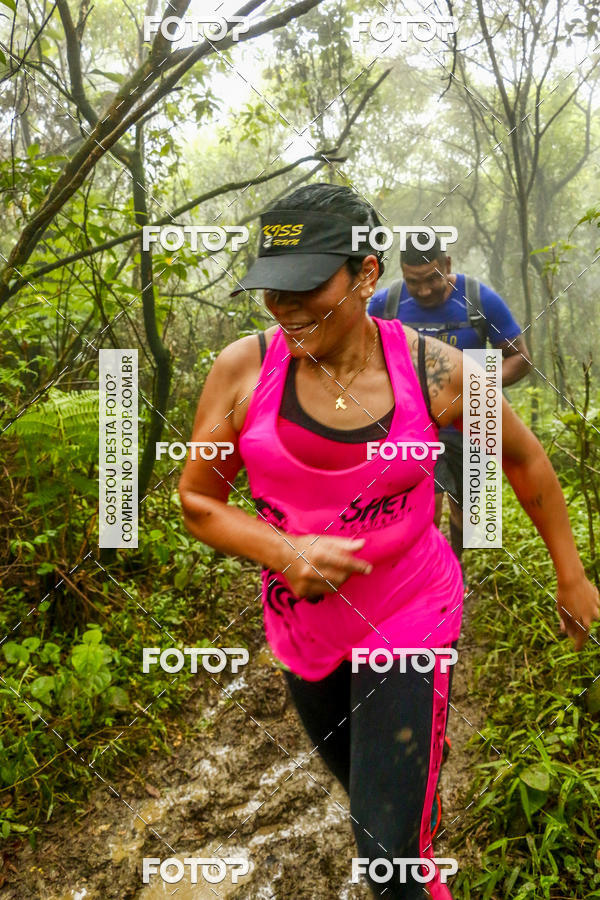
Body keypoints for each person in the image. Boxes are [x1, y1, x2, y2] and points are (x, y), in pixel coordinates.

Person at [178, 183, 598, 899]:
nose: (286, 309)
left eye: (308, 287)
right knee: (372, 806)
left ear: (367, 273)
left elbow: (524, 461)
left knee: (385, 851)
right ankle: (411, 782)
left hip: (411, 608)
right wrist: (287, 552)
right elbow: (197, 499)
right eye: (273, 291)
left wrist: (571, 575)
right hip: (302, 627)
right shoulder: (243, 370)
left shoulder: (433, 371)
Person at [369, 239, 532, 571]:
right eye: (413, 281)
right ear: (401, 273)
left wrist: (473, 385)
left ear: (447, 264)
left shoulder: (479, 297)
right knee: (429, 499)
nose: (424, 290)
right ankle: (427, 573)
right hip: (414, 421)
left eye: (431, 278)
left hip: (472, 418)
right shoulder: (386, 304)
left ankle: (456, 567)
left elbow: (520, 358)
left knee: (469, 510)